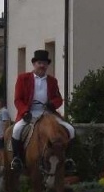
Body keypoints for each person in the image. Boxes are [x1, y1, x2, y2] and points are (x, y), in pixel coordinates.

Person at [8, 50, 74, 183]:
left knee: (70, 129)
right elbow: (18, 99)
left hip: (47, 112)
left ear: (47, 65)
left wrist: (52, 104)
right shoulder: (23, 78)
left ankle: (68, 158)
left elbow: (58, 99)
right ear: (34, 64)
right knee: (16, 130)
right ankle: (17, 158)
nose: (42, 66)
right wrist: (25, 111)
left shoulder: (52, 81)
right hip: (29, 112)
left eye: (44, 63)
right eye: (39, 63)